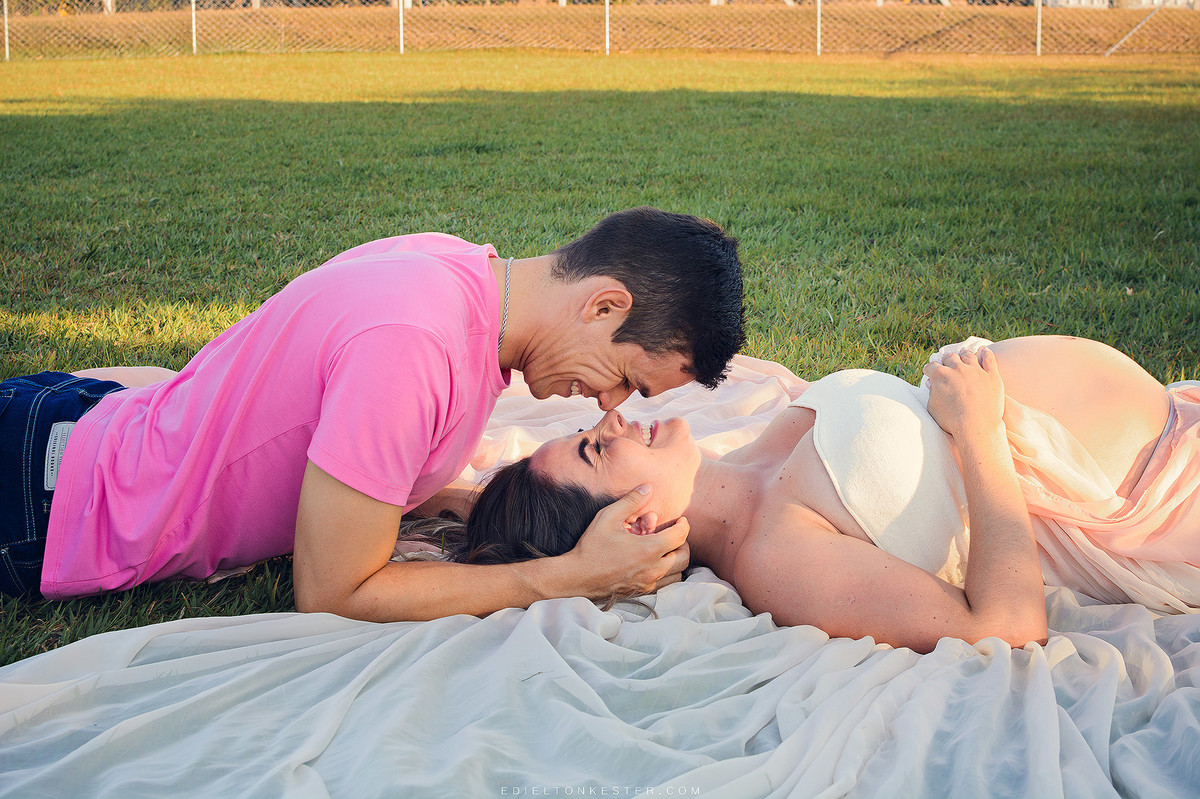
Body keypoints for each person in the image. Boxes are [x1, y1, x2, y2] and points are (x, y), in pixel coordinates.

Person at [0, 207, 746, 623]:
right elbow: (333, 593)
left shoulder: (462, 276)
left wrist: (449, 497)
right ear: (604, 304)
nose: (611, 405)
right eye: (624, 376)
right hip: (52, 494)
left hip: (86, 424)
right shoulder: (413, 345)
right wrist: (565, 576)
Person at [440, 335, 1200, 653]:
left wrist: (455, 496)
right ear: (633, 525)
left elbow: (519, 510)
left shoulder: (746, 455)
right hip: (1167, 503)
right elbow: (1006, 625)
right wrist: (979, 432)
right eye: (596, 448)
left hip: (1176, 418)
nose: (612, 418)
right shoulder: (775, 554)